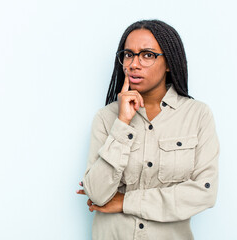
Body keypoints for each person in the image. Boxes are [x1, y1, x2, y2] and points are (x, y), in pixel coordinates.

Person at [76, 19, 220, 240]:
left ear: (169, 62)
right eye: (128, 54)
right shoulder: (106, 118)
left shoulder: (197, 115)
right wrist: (122, 124)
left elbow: (204, 192)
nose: (134, 64)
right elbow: (96, 194)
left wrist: (125, 202)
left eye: (147, 55)